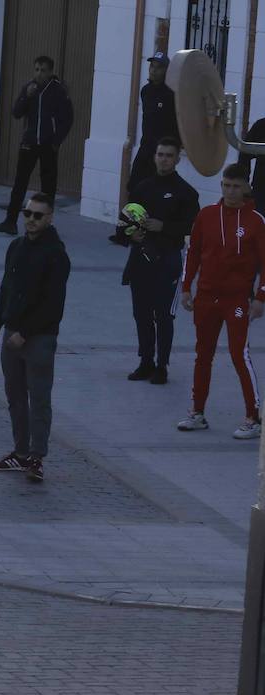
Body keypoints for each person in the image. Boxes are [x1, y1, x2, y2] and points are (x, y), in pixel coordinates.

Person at [0, 193, 71, 484]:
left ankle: (36, 456)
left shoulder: (56, 254)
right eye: (27, 214)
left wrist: (25, 333)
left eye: (38, 215)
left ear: (50, 218)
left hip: (39, 338)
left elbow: (53, 305)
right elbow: (7, 290)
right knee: (15, 396)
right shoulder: (16, 247)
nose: (31, 220)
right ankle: (20, 453)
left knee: (39, 397)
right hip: (11, 334)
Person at [177, 163, 265, 439]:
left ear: (246, 188)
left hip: (236, 299)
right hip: (205, 297)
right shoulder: (206, 215)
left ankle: (253, 417)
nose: (230, 191)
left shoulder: (256, 221)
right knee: (203, 355)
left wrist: (261, 297)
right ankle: (197, 413)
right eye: (226, 185)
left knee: (240, 355)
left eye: (236, 186)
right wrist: (186, 287)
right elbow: (193, 253)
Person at [121, 136, 199, 385]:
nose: (163, 159)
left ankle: (162, 365)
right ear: (154, 156)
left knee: (164, 315)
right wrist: (133, 234)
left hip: (168, 261)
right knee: (141, 313)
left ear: (177, 159)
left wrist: (164, 226)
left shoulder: (186, 192)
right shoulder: (142, 187)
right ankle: (145, 361)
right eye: (160, 154)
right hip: (140, 259)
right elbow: (127, 221)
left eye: (168, 155)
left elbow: (193, 226)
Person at [0, 55, 73, 235]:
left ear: (51, 72)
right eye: (36, 69)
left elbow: (67, 119)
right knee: (19, 183)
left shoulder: (58, 91)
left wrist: (56, 141)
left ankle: (46, 224)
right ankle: (10, 221)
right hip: (29, 143)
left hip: (48, 144)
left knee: (48, 186)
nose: (39, 74)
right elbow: (16, 112)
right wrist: (26, 97)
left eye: (43, 70)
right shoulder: (29, 88)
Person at [116, 51, 178, 242]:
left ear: (166, 71)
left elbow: (176, 124)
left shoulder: (171, 95)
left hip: (161, 152)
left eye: (159, 67)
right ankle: (125, 231)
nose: (154, 70)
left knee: (157, 191)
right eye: (152, 66)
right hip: (146, 148)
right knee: (134, 186)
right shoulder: (145, 91)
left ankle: (150, 232)